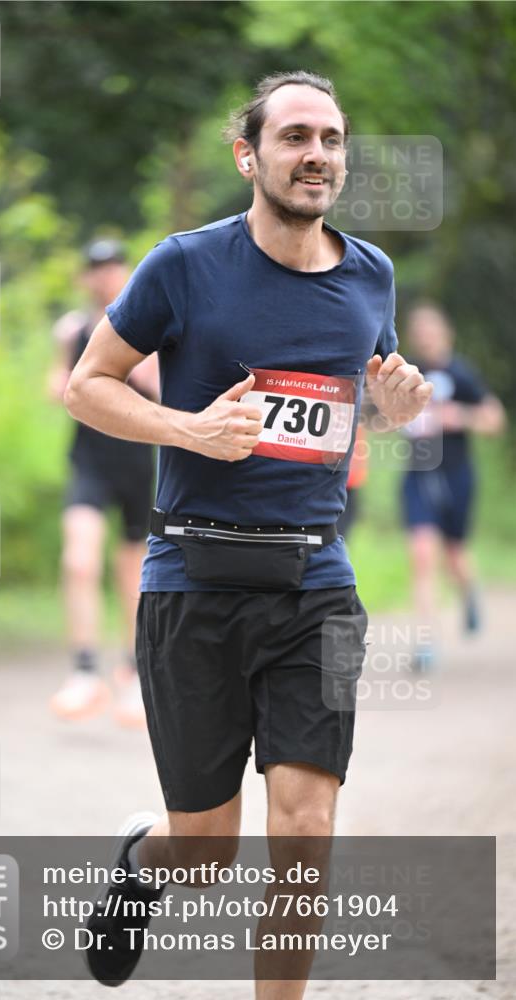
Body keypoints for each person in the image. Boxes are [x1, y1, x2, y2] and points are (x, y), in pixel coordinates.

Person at [65, 71, 433, 997]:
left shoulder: (371, 274)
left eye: (332, 139)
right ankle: (142, 868)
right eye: (295, 136)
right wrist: (188, 427)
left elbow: (340, 418)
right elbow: (88, 384)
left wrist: (388, 412)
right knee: (206, 850)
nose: (317, 155)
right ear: (249, 155)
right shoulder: (184, 264)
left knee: (305, 834)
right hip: (192, 577)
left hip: (316, 585)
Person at [48, 238, 159, 727]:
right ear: (86, 277)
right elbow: (58, 386)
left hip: (138, 462)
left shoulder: (148, 330)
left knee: (132, 573)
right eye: (96, 268)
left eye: (113, 266)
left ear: (126, 272)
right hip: (88, 462)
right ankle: (84, 671)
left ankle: (132, 674)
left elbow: (159, 391)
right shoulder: (71, 329)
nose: (105, 275)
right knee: (78, 560)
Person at [400, 302, 505, 668]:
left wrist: (459, 416)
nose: (427, 336)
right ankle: (426, 645)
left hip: (457, 476)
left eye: (433, 329)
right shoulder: (407, 372)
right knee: (423, 554)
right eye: (420, 329)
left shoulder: (462, 373)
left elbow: (495, 419)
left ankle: (469, 592)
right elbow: (380, 413)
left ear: (446, 333)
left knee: (455, 553)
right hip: (418, 475)